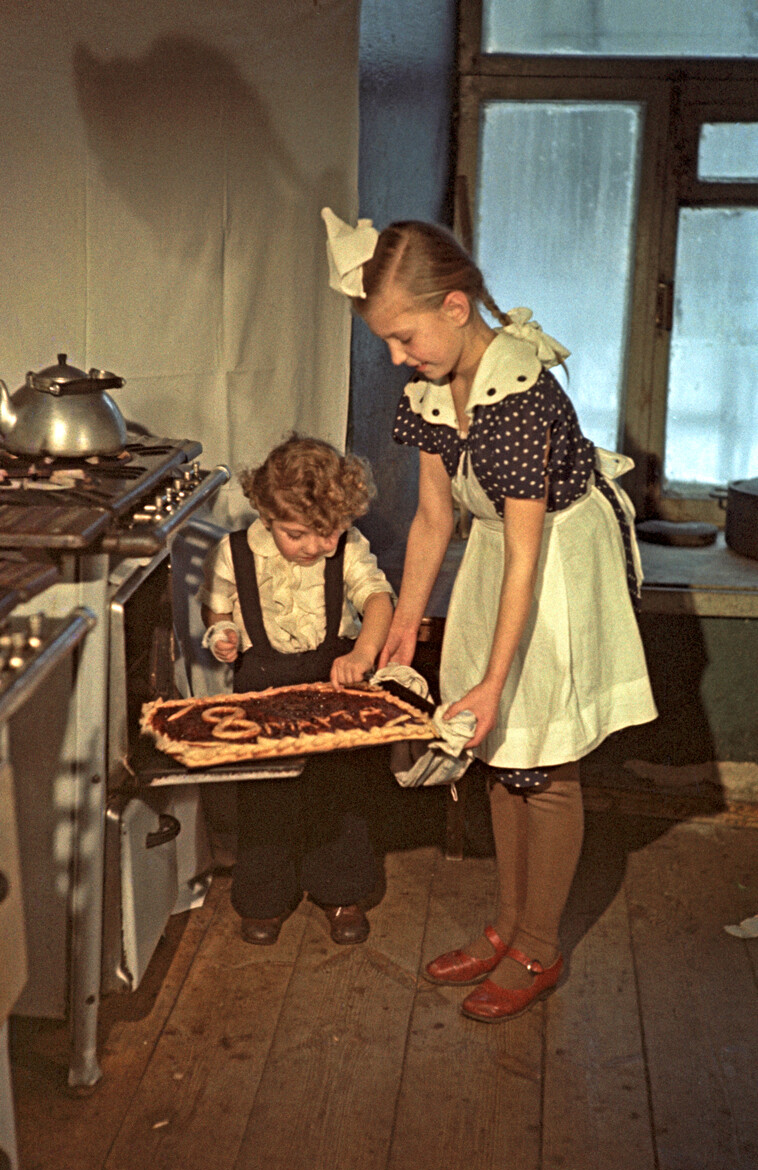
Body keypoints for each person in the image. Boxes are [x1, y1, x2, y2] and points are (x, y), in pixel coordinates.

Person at [321, 207, 657, 1020]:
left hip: (555, 572)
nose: (399, 357)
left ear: (455, 307)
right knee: (494, 744)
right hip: (496, 560)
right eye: (387, 345)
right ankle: (507, 925)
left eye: (404, 338)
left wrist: (495, 675)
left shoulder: (518, 396)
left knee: (544, 759)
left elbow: (528, 551)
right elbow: (437, 518)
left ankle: (540, 945)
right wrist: (405, 621)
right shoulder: (439, 389)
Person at [198, 433, 395, 947]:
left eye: (327, 534)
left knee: (338, 793)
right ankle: (264, 898)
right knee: (266, 796)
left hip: (331, 678)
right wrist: (222, 633)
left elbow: (377, 599)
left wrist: (361, 655)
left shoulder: (347, 549)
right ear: (266, 514)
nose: (314, 546)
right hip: (260, 682)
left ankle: (341, 891)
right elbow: (217, 608)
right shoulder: (234, 552)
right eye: (297, 534)